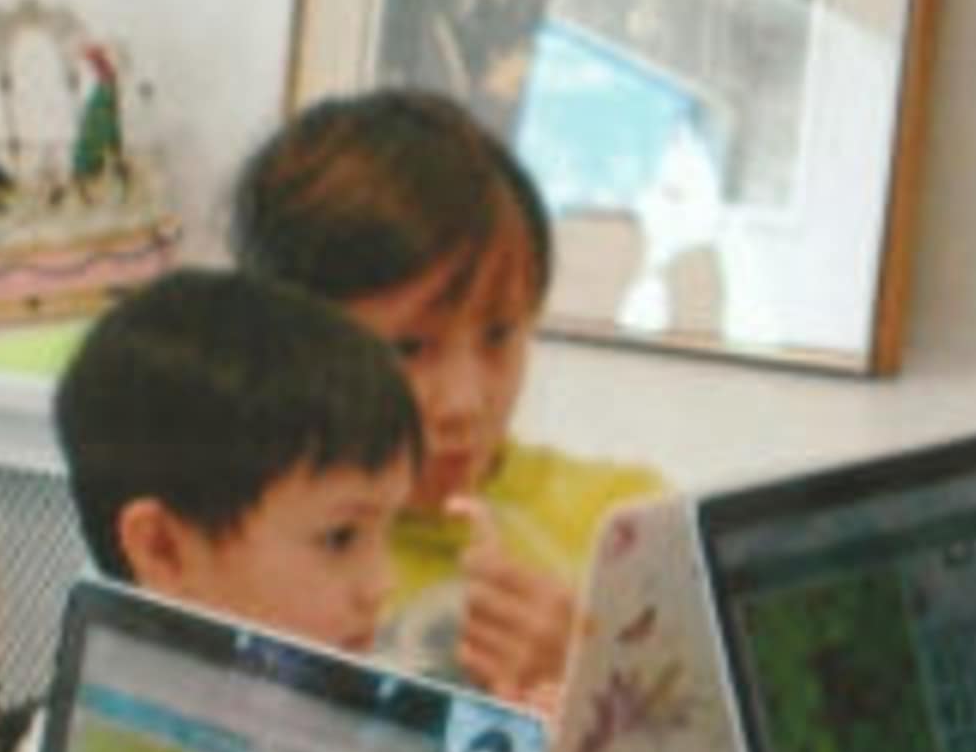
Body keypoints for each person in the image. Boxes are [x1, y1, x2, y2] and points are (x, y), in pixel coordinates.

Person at [0, 268, 422, 752]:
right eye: (340, 539)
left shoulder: (342, 689)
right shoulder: (123, 709)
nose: (381, 582)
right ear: (163, 548)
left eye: (389, 533)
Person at [231, 89, 661, 705]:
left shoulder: (626, 531)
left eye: (499, 336)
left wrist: (600, 676)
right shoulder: (243, 538)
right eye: (409, 348)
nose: (464, 403)